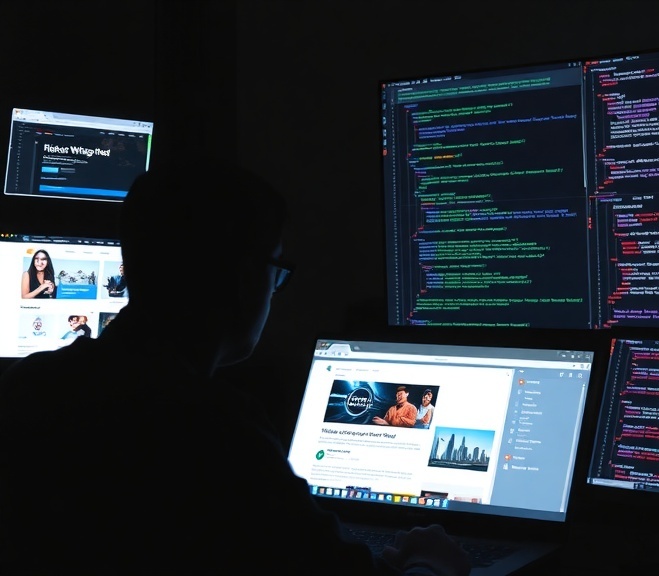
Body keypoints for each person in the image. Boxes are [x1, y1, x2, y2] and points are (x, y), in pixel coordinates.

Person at [0, 158, 470, 576]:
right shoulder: (215, 431)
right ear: (247, 278)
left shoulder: (27, 387)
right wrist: (434, 562)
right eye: (276, 274)